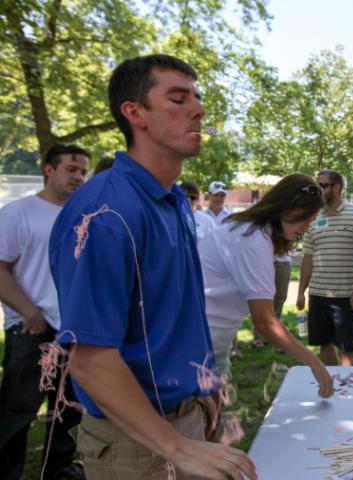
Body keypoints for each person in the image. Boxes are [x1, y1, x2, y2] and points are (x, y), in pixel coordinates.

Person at [49, 54, 256, 479]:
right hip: (137, 436)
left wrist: (200, 388)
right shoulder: (106, 212)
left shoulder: (174, 198)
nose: (198, 109)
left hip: (186, 414)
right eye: (178, 99)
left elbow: (173, 309)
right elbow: (89, 359)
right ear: (135, 113)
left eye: (197, 97)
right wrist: (175, 444)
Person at [198, 173, 334, 401]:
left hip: (209, 343)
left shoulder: (250, 230)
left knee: (210, 421)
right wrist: (315, 363)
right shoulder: (253, 240)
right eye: (306, 220)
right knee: (202, 425)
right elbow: (265, 321)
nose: (306, 229)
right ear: (288, 209)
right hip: (200, 347)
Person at [0, 143, 89, 480]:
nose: (79, 177)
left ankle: (58, 472)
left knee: (68, 412)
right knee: (17, 414)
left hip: (75, 329)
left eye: (83, 171)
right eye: (71, 169)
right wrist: (30, 312)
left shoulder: (84, 216)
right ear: (49, 170)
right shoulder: (18, 212)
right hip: (32, 329)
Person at [296, 169, 353, 366]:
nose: (317, 191)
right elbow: (308, 257)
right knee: (324, 344)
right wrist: (301, 292)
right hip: (317, 294)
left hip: (345, 296)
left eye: (322, 186)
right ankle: (331, 386)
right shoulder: (313, 218)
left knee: (347, 349)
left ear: (337, 187)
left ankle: (351, 389)